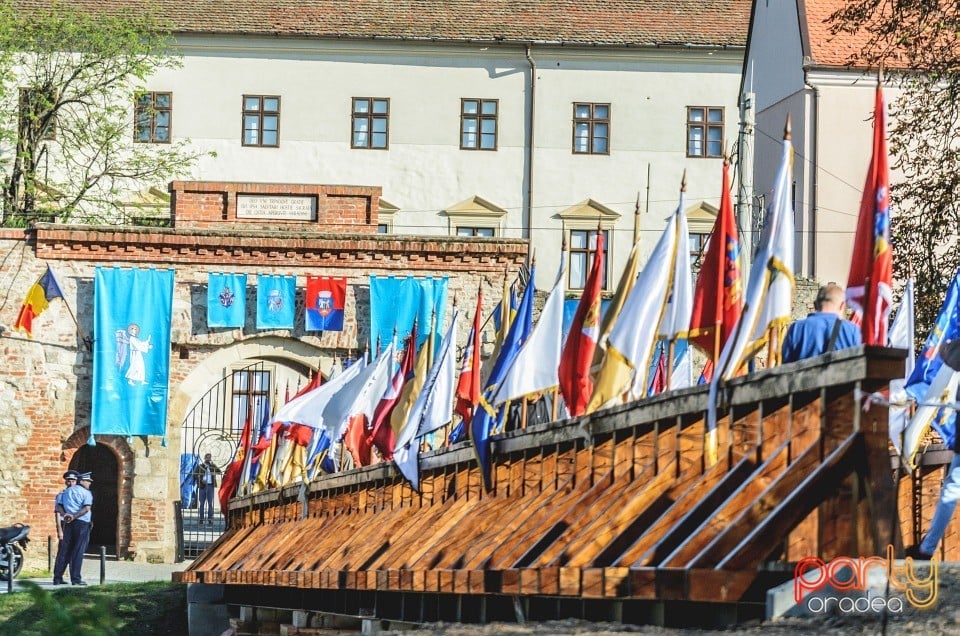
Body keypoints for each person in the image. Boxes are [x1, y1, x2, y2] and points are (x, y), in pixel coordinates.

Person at [781, 283, 862, 363]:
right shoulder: (852, 330)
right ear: (842, 305)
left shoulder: (796, 328)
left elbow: (786, 367)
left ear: (815, 305)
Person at [53, 471, 93, 586]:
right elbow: (86, 508)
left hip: (68, 522)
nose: (89, 483)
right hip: (81, 523)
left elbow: (58, 506)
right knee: (77, 551)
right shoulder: (86, 493)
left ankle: (57, 577)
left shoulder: (64, 493)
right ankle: (75, 579)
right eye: (88, 481)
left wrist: (66, 514)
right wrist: (74, 516)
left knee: (64, 551)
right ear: (82, 481)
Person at [193, 454, 222, 525]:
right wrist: (200, 479)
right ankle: (201, 519)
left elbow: (219, 471)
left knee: (210, 503)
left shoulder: (212, 466)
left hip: (210, 486)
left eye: (209, 458)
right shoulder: (200, 466)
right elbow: (194, 475)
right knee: (202, 504)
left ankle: (210, 519)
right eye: (207, 458)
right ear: (204, 458)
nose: (208, 459)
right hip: (202, 486)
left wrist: (213, 465)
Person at [54, 470, 79, 553]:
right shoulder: (61, 495)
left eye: (73, 481)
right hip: (64, 523)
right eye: (69, 481)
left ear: (76, 482)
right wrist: (60, 531)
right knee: (63, 548)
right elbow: (57, 513)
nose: (71, 483)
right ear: (66, 482)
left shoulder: (79, 495)